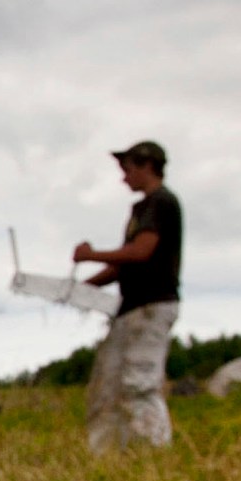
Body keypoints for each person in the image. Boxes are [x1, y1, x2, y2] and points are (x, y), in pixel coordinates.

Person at [74, 140, 184, 452]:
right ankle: (111, 453)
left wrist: (91, 255)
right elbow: (124, 265)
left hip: (152, 305)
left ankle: (155, 449)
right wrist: (83, 287)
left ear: (147, 166)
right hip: (132, 307)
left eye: (128, 170)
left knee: (140, 383)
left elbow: (140, 252)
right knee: (109, 384)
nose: (124, 178)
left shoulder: (160, 203)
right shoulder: (142, 208)